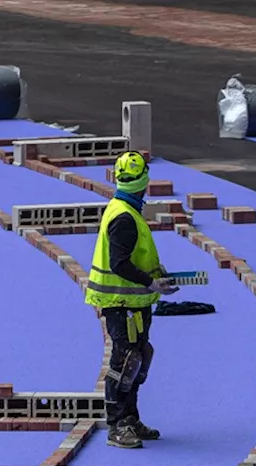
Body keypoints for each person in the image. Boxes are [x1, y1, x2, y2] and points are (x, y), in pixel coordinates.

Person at [84, 151, 180, 448]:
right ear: (144, 182)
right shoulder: (124, 217)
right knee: (125, 361)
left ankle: (130, 418)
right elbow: (119, 263)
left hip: (135, 303)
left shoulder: (124, 208)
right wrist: (151, 281)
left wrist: (156, 273)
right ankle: (116, 425)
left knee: (138, 358)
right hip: (121, 303)